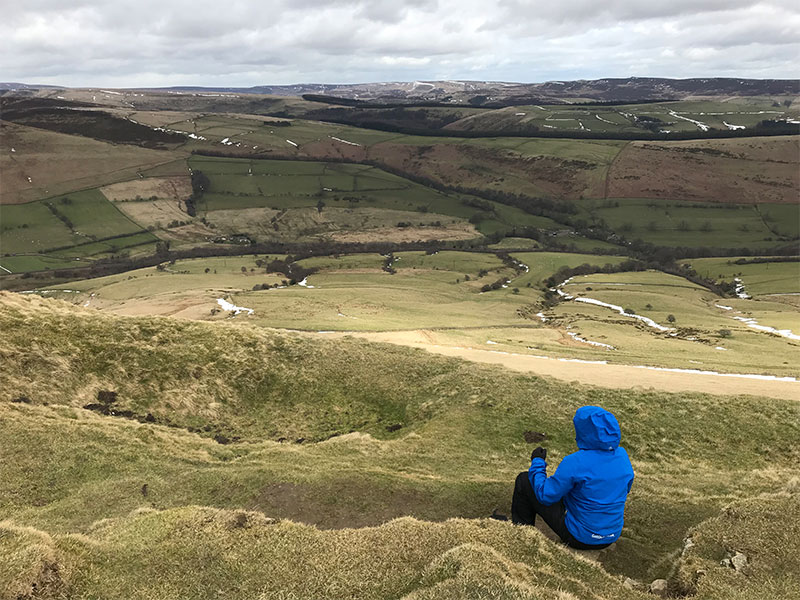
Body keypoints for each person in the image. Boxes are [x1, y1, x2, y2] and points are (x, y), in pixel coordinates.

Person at [492, 405, 634, 550]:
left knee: (524, 480)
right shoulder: (622, 456)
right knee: (572, 490)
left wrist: (537, 462)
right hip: (611, 535)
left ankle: (522, 533)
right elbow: (625, 489)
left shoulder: (576, 461)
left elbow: (545, 495)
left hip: (580, 538)